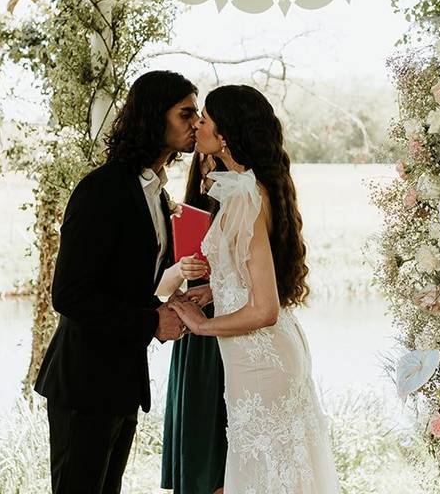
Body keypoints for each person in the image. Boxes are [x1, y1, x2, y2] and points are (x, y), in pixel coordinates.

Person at [33, 70, 199, 494]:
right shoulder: (101, 190)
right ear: (153, 117)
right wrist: (150, 323)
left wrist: (173, 302)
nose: (195, 123)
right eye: (186, 114)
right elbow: (68, 294)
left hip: (122, 381)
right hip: (83, 383)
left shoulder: (158, 194)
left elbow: (128, 282)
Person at [169, 84, 341, 493]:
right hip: (258, 359)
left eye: (206, 119)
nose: (199, 125)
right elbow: (251, 273)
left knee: (266, 477)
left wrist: (200, 324)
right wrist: (216, 291)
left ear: (225, 134)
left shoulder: (247, 197)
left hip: (261, 361)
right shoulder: (248, 188)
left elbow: (265, 309)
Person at [158, 153, 228, 494]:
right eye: (202, 163)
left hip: (232, 330)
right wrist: (178, 271)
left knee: (227, 448)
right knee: (199, 444)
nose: (209, 170)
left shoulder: (249, 207)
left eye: (216, 162)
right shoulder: (183, 214)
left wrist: (216, 288)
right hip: (195, 340)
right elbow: (159, 288)